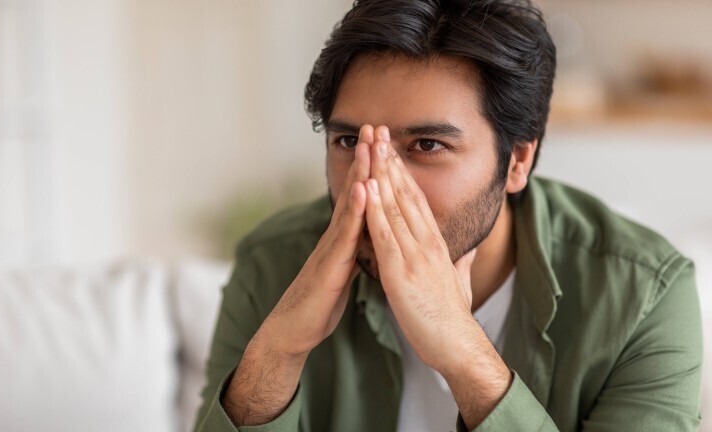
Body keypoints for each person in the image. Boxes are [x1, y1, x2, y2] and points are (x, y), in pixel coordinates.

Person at [194, 0, 703, 430]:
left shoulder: (646, 295)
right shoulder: (271, 262)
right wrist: (278, 352)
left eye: (428, 145)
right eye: (350, 141)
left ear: (518, 161)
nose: (375, 182)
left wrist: (464, 355)